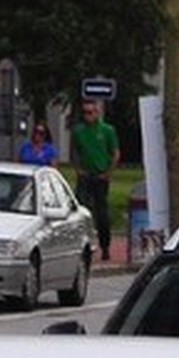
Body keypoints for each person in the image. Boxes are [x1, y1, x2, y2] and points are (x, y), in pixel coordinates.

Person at [69, 97, 120, 262]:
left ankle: (105, 246)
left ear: (97, 113)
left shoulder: (107, 130)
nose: (88, 115)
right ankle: (82, 245)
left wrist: (108, 172)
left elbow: (115, 153)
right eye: (85, 113)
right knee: (82, 210)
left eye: (91, 112)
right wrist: (78, 169)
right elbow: (74, 151)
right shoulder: (78, 131)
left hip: (100, 176)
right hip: (85, 176)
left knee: (101, 212)